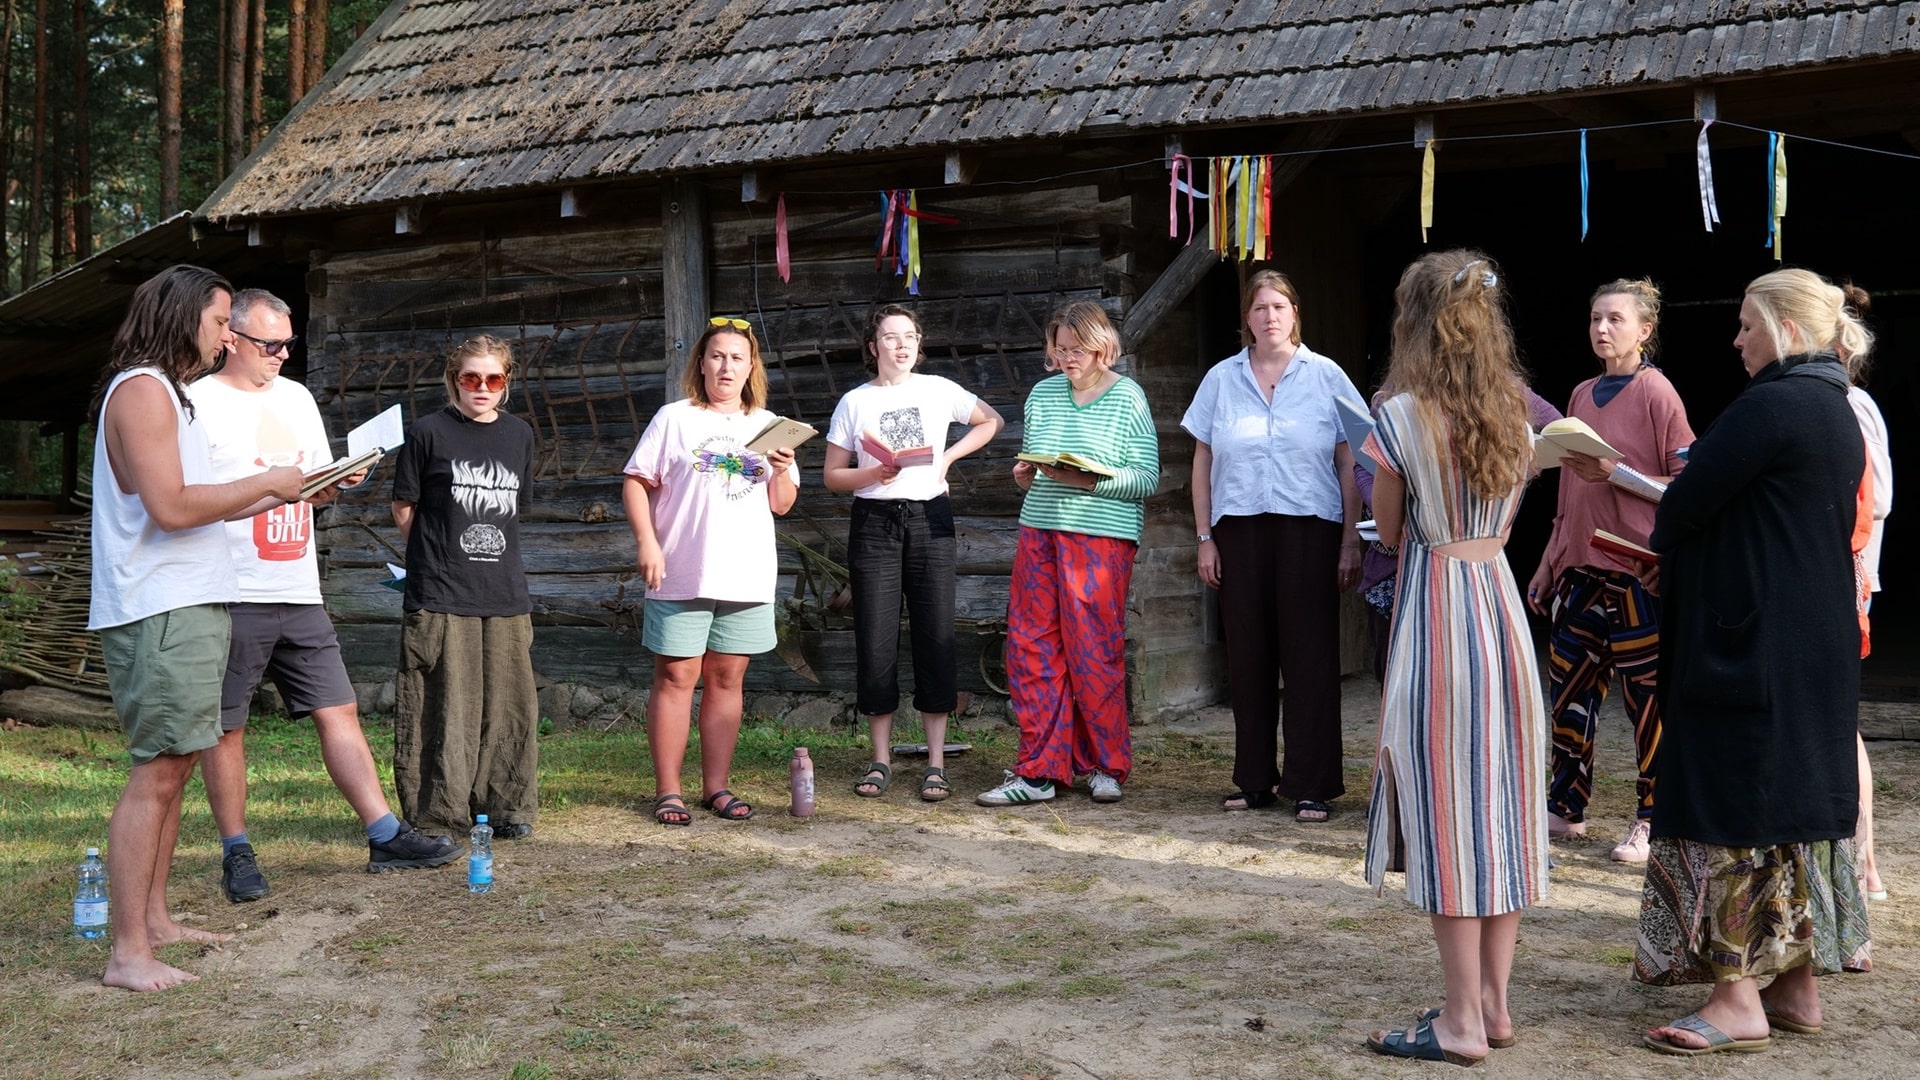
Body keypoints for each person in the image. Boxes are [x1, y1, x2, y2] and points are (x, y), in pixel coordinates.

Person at [1636, 268, 1870, 1055]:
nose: (1735, 339)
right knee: (1790, 810)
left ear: (1786, 329)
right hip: (1812, 641)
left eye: (1746, 324)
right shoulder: (1835, 407)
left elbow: (1685, 504)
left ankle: (1737, 997)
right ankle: (1795, 984)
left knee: (1731, 809)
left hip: (1751, 647)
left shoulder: (1771, 405)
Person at [187, 289, 458, 903]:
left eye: (289, 343)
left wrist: (340, 477)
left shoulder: (298, 397)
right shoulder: (198, 403)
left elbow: (310, 490)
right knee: (226, 729)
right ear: (230, 338)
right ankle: (236, 852)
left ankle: (384, 834)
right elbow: (189, 498)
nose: (283, 354)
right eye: (270, 344)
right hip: (231, 588)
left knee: (339, 710)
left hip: (297, 587)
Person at [86, 265, 306, 990]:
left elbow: (202, 500)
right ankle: (127, 953)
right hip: (159, 607)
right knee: (156, 773)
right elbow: (173, 508)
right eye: (218, 322)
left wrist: (297, 486)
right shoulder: (144, 390)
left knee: (176, 768)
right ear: (182, 317)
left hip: (188, 601)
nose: (223, 337)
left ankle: (153, 922)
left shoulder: (166, 394)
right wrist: (269, 482)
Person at [1359, 251, 1547, 1066]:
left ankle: (1462, 1023)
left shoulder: (1397, 418)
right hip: (1499, 609)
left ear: (1418, 320)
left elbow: (1392, 533)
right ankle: (1495, 1007)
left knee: (1447, 817)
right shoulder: (1514, 408)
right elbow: (1505, 528)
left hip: (1437, 611)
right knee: (1500, 809)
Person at [1182, 269, 1362, 822]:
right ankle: (1253, 779)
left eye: (1279, 306)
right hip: (1238, 530)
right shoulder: (1221, 378)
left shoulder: (1327, 375)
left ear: (1295, 314)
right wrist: (1205, 538)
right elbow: (1203, 461)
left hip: (1310, 528)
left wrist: (1351, 539)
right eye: (1259, 308)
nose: (1270, 316)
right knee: (1249, 656)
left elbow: (1351, 459)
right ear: (1248, 319)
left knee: (1309, 656)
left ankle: (1311, 783)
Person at [1525, 280, 1695, 863]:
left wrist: (1615, 473)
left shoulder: (1658, 395)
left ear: (1644, 331)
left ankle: (1653, 817)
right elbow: (1570, 490)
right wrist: (1550, 560)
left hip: (1634, 572)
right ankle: (1566, 806)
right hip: (1578, 570)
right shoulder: (1579, 392)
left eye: (1615, 320)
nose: (1602, 329)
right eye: (1596, 318)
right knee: (1569, 695)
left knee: (1645, 700)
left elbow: (1688, 488)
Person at [977, 301, 1158, 806]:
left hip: (1100, 539)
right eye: (1059, 348)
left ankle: (1107, 765)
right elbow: (1036, 463)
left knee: (1093, 651)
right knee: (1032, 649)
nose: (1067, 357)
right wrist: (1024, 476)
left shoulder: (1128, 397)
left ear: (1102, 345)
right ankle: (1039, 771)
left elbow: (1146, 479)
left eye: (1077, 348)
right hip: (1040, 532)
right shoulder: (1042, 393)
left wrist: (1090, 481)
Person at [823, 304, 1003, 802]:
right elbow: (833, 475)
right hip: (875, 523)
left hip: (930, 519)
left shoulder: (938, 390)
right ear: (872, 346)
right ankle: (879, 760)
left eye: (910, 336)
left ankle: (936, 762)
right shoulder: (854, 402)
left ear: (919, 345)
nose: (901, 345)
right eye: (890, 336)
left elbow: (991, 421)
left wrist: (947, 457)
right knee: (876, 637)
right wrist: (871, 475)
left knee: (934, 634)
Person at [624, 317, 800, 824]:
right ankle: (668, 791)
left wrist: (783, 469)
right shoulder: (674, 418)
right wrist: (647, 542)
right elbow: (637, 482)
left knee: (727, 677)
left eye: (737, 358)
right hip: (680, 567)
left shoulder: (767, 425)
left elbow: (781, 505)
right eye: (717, 356)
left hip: (745, 572)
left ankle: (716, 788)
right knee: (677, 675)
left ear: (750, 368)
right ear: (701, 364)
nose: (726, 366)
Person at [390, 335, 540, 840]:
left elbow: (517, 507)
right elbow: (404, 507)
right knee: (445, 704)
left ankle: (506, 808)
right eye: (470, 378)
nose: (482, 387)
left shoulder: (519, 435)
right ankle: (437, 813)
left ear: (506, 383)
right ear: (454, 380)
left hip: (503, 590)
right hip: (441, 590)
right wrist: (438, 555)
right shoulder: (428, 432)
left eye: (493, 379)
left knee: (508, 705)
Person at [1354, 386, 1561, 684]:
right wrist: (1388, 500)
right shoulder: (1392, 402)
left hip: (1466, 574)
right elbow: (1363, 470)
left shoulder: (1503, 390)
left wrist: (1504, 486)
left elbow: (1558, 433)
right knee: (1401, 681)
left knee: (1466, 683)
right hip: (1394, 571)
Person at [1841, 283, 1892, 903]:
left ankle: (1866, 864)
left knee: (1837, 725)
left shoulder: (1850, 404)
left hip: (1845, 574)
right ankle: (1863, 864)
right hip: (1839, 573)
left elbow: (1877, 498)